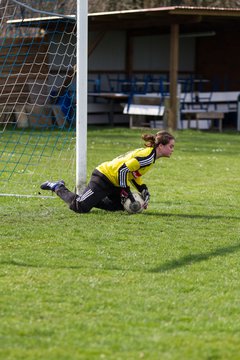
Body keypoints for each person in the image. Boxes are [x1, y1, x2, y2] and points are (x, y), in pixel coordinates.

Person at [40, 130, 175, 214]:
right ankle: (58, 186)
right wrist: (126, 191)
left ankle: (89, 197)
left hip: (115, 181)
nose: (172, 149)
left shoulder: (151, 157)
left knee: (118, 206)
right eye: (171, 146)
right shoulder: (147, 157)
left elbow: (133, 174)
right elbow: (123, 171)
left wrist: (143, 189)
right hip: (104, 176)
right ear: (161, 146)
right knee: (80, 207)